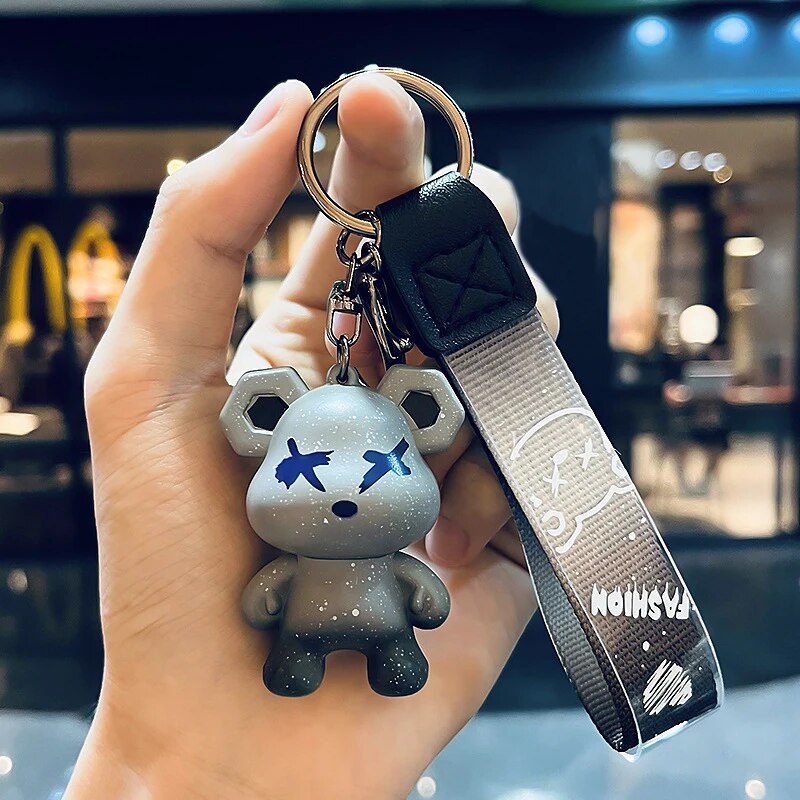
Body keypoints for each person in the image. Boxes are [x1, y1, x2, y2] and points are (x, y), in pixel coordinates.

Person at [65, 73, 558, 800]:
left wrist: (423, 597)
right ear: (259, 427)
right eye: (305, 469)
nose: (346, 493)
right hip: (292, 639)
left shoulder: (383, 494)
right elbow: (264, 595)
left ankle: (392, 659)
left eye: (379, 467)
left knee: (397, 648)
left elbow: (420, 590)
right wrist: (182, 762)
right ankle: (300, 661)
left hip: (384, 629)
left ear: (424, 418)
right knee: (297, 652)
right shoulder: (271, 505)